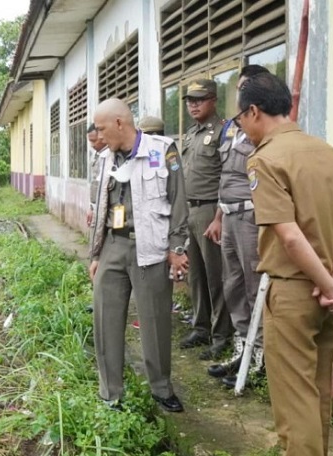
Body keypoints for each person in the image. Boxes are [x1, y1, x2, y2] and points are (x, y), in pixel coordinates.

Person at [241, 72, 333, 456]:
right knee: (315, 397)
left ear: (253, 111)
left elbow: (290, 236)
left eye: (241, 119)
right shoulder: (332, 155)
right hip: (330, 294)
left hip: (296, 293)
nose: (243, 127)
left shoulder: (265, 160)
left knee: (295, 408)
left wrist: (330, 287)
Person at [89, 98, 189, 413]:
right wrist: (95, 254)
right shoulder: (104, 159)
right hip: (113, 246)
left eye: (103, 129)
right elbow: (100, 209)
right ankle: (110, 394)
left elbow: (179, 202)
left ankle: (161, 388)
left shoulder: (163, 150)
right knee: (105, 320)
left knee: (155, 321)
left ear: (120, 123)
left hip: (151, 247)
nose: (100, 136)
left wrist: (176, 249)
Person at [207, 65, 270, 387]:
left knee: (251, 284)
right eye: (238, 88)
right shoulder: (232, 128)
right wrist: (217, 217)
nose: (240, 95)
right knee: (231, 284)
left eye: (246, 88)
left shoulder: (266, 129)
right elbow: (225, 176)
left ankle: (259, 359)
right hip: (228, 215)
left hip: (250, 216)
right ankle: (241, 349)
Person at [178, 79, 232, 360]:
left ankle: (221, 335)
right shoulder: (190, 135)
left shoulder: (224, 132)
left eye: (199, 99)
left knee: (216, 276)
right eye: (189, 100)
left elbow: (229, 176)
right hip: (190, 211)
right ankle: (200, 327)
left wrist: (220, 216)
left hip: (211, 212)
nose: (193, 105)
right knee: (195, 275)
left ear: (213, 100)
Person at [87, 123, 109, 227]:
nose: (92, 145)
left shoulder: (110, 156)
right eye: (90, 141)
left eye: (94, 140)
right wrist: (91, 207)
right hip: (95, 206)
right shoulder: (97, 155)